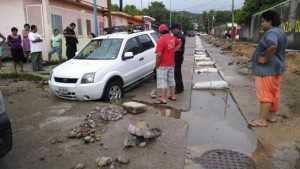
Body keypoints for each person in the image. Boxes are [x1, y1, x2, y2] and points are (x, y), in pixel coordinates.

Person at [249, 10, 287, 127]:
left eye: (263, 22)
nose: (261, 24)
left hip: (267, 70)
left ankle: (261, 120)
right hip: (276, 68)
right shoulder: (280, 31)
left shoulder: (271, 33)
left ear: (270, 22)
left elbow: (273, 46)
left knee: (265, 93)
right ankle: (271, 116)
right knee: (274, 93)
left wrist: (265, 59)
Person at [153, 24, 181, 104]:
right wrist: (173, 50)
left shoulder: (160, 41)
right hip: (171, 64)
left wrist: (157, 65)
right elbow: (179, 43)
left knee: (163, 81)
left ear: (160, 32)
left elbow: (158, 55)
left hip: (163, 65)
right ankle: (173, 96)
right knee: (172, 80)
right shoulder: (172, 38)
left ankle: (163, 98)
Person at [170, 23, 185, 94]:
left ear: (176, 29)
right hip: (176, 56)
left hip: (178, 56)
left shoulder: (180, 36)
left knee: (177, 73)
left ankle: (179, 88)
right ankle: (179, 87)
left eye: (172, 30)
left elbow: (179, 48)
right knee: (176, 73)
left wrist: (171, 50)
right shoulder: (176, 35)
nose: (172, 31)